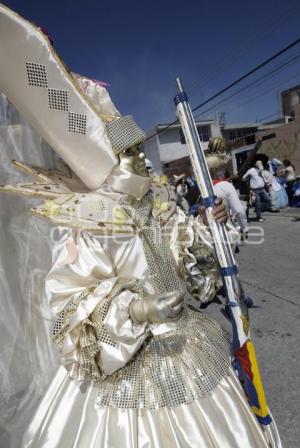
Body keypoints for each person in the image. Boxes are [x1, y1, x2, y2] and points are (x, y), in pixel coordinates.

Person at [0, 4, 281, 447]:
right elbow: (68, 308)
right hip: (127, 364)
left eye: (138, 150)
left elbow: (190, 271)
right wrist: (139, 309)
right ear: (110, 160)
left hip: (189, 347)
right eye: (129, 152)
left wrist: (205, 229)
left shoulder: (161, 205)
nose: (141, 159)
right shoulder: (91, 220)